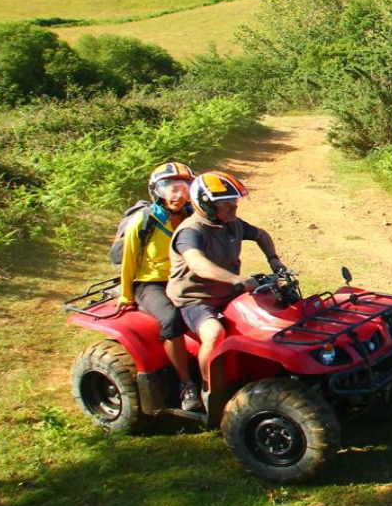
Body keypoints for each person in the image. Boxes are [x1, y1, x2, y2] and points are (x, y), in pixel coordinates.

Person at [166, 171, 287, 400]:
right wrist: (237, 280)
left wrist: (274, 260)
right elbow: (198, 265)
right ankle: (209, 390)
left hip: (227, 293)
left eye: (234, 201)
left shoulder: (232, 223)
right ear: (206, 205)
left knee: (275, 312)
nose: (234, 207)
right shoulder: (190, 232)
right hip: (196, 298)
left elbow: (261, 235)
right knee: (214, 334)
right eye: (226, 203)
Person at [118, 161, 199, 409]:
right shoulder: (145, 220)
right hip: (150, 283)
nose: (178, 195)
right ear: (158, 191)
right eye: (171, 189)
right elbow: (128, 260)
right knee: (171, 318)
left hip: (184, 278)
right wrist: (126, 295)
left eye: (184, 189)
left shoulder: (193, 217)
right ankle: (186, 384)